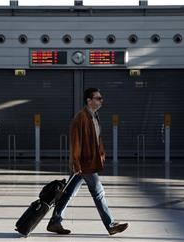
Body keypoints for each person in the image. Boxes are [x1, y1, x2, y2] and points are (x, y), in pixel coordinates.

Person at [47, 88, 129, 236]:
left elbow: (97, 138)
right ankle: (110, 225)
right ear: (89, 101)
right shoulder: (81, 118)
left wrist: (101, 152)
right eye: (98, 98)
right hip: (84, 163)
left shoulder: (94, 116)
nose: (101, 100)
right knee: (98, 192)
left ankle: (55, 221)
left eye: (101, 98)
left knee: (68, 192)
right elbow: (76, 142)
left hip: (89, 161)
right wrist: (76, 163)